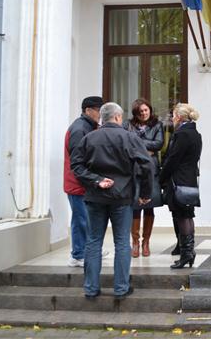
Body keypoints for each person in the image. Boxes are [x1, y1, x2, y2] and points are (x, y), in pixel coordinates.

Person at [70, 102, 153, 299]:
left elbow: (76, 165)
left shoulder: (89, 138)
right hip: (121, 196)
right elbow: (146, 164)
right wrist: (145, 192)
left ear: (102, 117)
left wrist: (96, 180)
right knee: (122, 242)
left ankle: (91, 288)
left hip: (95, 196)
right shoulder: (129, 137)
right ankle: (121, 288)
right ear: (117, 117)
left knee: (93, 242)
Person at [160, 103, 202, 269]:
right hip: (189, 179)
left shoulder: (182, 134)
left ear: (179, 116)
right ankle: (189, 252)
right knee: (188, 214)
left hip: (179, 180)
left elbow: (173, 159)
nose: (172, 118)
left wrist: (161, 178)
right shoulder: (194, 133)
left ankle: (186, 254)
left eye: (173, 115)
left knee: (182, 216)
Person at [63, 95, 103, 267]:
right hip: (78, 184)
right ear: (88, 110)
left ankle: (88, 250)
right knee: (81, 220)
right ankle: (78, 255)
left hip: (85, 183)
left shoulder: (89, 126)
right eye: (98, 111)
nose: (100, 115)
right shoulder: (80, 129)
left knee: (87, 219)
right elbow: (78, 160)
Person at [124, 98, 164, 258]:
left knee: (150, 205)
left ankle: (146, 242)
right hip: (133, 169)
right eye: (141, 112)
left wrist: (138, 145)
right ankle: (135, 243)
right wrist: (145, 147)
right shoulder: (128, 125)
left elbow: (159, 144)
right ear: (136, 113)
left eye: (146, 110)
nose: (144, 113)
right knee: (134, 205)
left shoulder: (157, 125)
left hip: (151, 170)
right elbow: (127, 142)